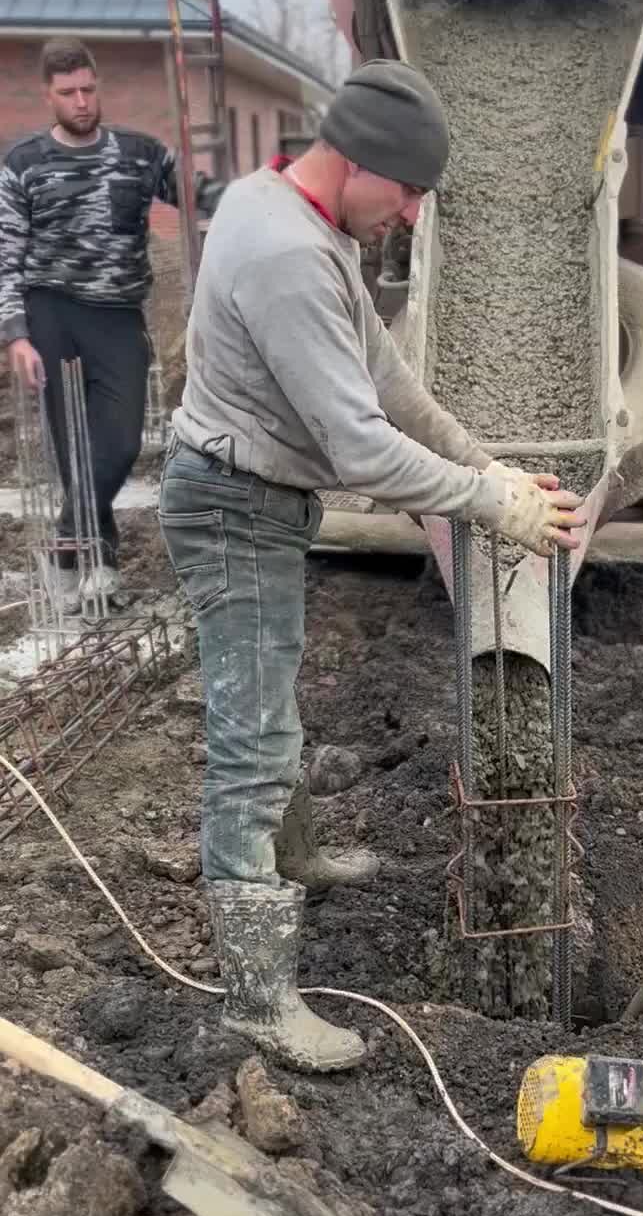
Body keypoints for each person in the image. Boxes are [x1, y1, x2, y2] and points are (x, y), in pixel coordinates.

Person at [162, 58, 584, 1077]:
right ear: (354, 162)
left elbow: (386, 377)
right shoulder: (285, 257)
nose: (410, 212)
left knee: (271, 705)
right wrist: (493, 505)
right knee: (251, 734)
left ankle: (291, 854)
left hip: (256, 497)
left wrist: (485, 462)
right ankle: (260, 998)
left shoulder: (303, 216)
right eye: (404, 191)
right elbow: (358, 449)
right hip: (233, 506)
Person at [0, 38, 221, 610]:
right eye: (68, 92)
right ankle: (101, 561)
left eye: (88, 89)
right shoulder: (22, 163)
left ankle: (66, 551)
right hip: (50, 311)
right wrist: (17, 334)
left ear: (98, 87)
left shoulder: (141, 155)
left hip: (118, 314)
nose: (81, 101)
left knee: (121, 441)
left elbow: (201, 196)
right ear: (48, 95)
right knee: (74, 445)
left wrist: (267, 186)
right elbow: (7, 253)